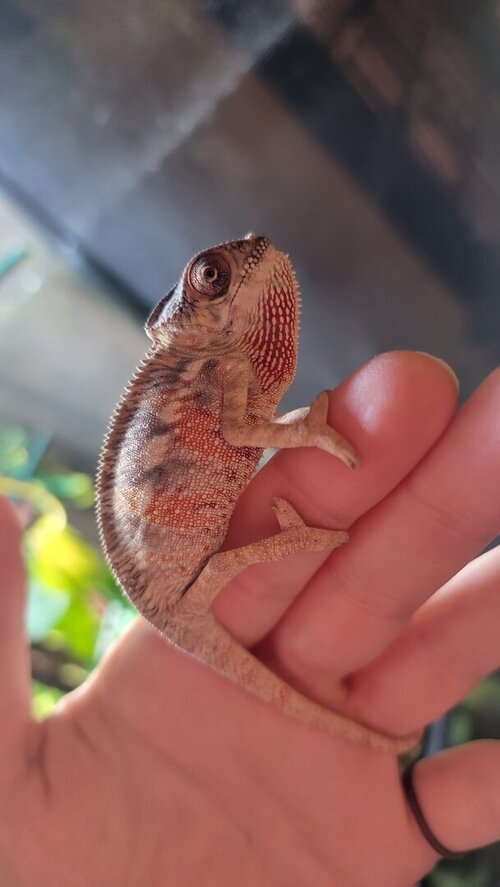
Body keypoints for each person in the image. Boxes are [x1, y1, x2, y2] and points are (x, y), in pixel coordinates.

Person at [1, 350, 500, 886]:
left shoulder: (204, 370)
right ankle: (294, 540)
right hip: (174, 586)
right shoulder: (203, 368)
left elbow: (238, 427)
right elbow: (239, 432)